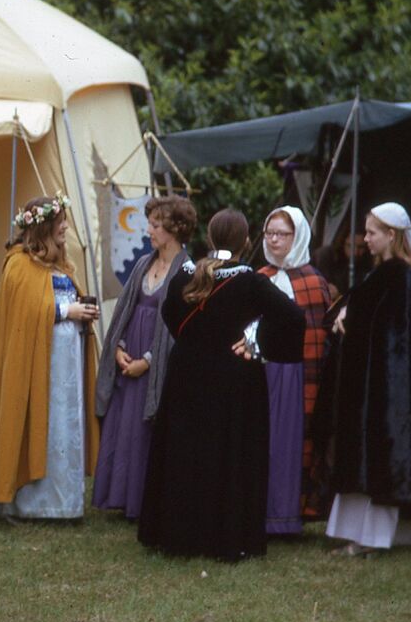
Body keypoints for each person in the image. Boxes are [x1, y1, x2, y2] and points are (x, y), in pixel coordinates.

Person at [137, 209, 305, 561]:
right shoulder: (250, 281)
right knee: (228, 454)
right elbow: (293, 316)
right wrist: (255, 340)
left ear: (210, 238)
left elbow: (169, 314)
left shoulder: (185, 274)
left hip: (186, 377)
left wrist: (197, 342)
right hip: (233, 379)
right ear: (246, 241)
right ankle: (226, 536)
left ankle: (179, 533)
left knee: (187, 453)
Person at [0, 192, 99, 520]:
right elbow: (24, 313)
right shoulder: (19, 264)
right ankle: (29, 502)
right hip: (36, 364)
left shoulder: (59, 264)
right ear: (43, 228)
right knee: (39, 422)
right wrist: (67, 311)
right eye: (60, 222)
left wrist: (82, 312)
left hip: (65, 364)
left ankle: (63, 503)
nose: (65, 227)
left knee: (62, 424)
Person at [324, 202, 411, 556]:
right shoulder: (386, 273)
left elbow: (391, 334)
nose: (365, 238)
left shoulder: (398, 274)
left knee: (380, 459)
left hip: (384, 386)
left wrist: (349, 319)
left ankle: (373, 537)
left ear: (391, 235)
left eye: (372, 232)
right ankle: (368, 532)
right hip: (374, 383)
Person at [93, 195, 197, 519]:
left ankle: (141, 502)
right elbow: (127, 309)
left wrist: (149, 361)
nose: (148, 230)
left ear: (175, 228)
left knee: (144, 433)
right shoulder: (142, 264)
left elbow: (181, 329)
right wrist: (120, 347)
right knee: (122, 428)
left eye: (155, 225)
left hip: (158, 367)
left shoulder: (188, 272)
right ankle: (117, 496)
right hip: (130, 358)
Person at [259, 206, 331, 532]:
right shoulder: (259, 278)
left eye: (282, 234)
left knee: (296, 442)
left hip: (300, 378)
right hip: (264, 374)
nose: (274, 240)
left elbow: (320, 338)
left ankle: (294, 508)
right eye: (269, 233)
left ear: (297, 236)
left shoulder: (314, 282)